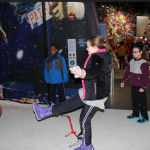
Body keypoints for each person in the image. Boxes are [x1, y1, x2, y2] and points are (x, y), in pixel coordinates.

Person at [33, 35, 113, 150]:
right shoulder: (98, 55)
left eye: (88, 46)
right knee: (67, 104)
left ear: (95, 47)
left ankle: (87, 146)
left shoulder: (98, 57)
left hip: (96, 95)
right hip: (90, 91)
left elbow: (93, 72)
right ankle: (44, 113)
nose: (86, 49)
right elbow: (94, 73)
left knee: (85, 119)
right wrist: (80, 73)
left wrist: (82, 73)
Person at [120, 44, 149, 123]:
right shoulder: (132, 61)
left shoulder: (144, 63)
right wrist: (123, 80)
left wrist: (143, 87)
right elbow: (127, 72)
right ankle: (135, 113)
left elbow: (146, 76)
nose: (134, 54)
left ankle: (145, 116)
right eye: (133, 52)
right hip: (133, 84)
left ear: (141, 52)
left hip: (140, 85)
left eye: (136, 52)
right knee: (134, 100)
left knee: (142, 101)